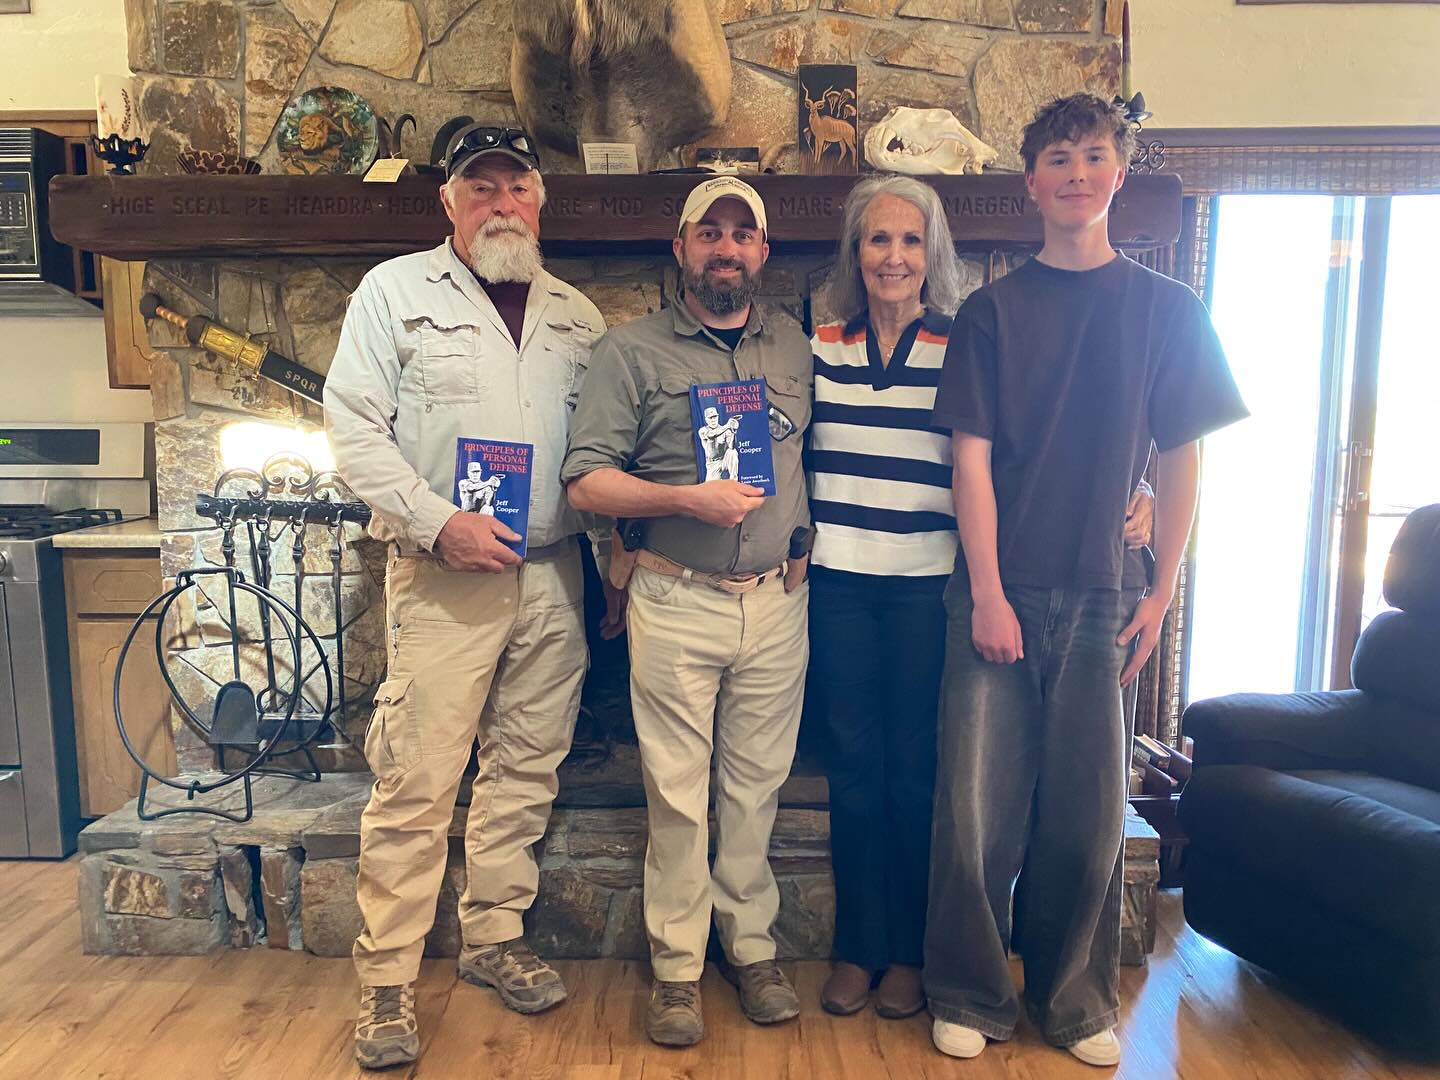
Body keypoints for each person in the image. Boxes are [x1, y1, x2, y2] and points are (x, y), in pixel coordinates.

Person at [923, 94, 1247, 1068]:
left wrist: (1163, 589)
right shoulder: (991, 312)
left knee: (1087, 816)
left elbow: (1183, 454)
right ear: (1031, 182)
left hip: (1110, 597)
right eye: (1056, 157)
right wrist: (984, 591)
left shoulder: (1169, 312)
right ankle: (973, 995)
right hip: (999, 589)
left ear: (1118, 175)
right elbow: (968, 463)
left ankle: (1072, 1002)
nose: (1074, 171)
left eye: (1093, 155)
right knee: (974, 813)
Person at [808, 175, 1156, 1022]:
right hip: (840, 586)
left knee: (924, 775)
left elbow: (1037, 441)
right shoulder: (815, 343)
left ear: (934, 255)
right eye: (878, 240)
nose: (894, 257)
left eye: (911, 241)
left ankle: (909, 958)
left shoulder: (966, 339)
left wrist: (1137, 485)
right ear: (856, 253)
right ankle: (858, 945)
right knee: (854, 771)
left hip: (935, 586)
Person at [324, 123, 611, 1070]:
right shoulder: (395, 294)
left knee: (527, 768)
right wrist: (434, 518)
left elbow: (598, 456)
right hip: (446, 575)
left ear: (541, 201)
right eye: (479, 188)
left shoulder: (577, 316)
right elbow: (354, 430)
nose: (500, 204)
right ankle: (386, 982)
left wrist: (614, 567)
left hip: (556, 576)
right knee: (416, 779)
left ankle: (494, 936)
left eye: (517, 187)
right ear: (448, 202)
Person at [562, 176, 813, 1048]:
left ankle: (750, 949)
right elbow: (587, 480)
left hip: (778, 605)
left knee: (755, 791)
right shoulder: (629, 353)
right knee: (676, 796)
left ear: (763, 254)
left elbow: (817, 457)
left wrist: (805, 538)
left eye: (743, 235)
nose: (727, 249)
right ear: (680, 249)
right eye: (710, 233)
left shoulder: (793, 346)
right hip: (674, 596)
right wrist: (684, 501)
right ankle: (676, 969)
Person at [696, 406, 741, 481]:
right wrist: (728, 425)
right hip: (712, 464)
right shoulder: (703, 430)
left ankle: (734, 481)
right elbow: (711, 435)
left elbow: (732, 446)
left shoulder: (726, 430)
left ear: (718, 417)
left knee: (732, 452)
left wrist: (733, 432)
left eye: (715, 417)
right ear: (706, 420)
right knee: (711, 490)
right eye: (710, 418)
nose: (713, 420)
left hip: (724, 460)